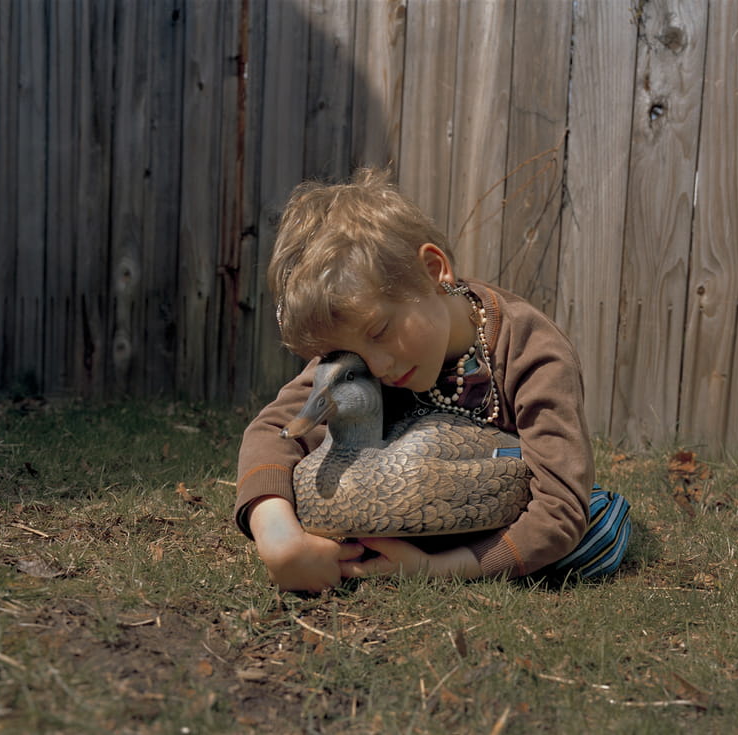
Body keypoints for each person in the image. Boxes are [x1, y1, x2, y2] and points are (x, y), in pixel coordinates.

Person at [234, 168, 631, 593]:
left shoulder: (531, 351)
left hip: (497, 523)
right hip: (401, 503)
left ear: (433, 269)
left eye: (380, 331)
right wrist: (278, 539)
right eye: (352, 355)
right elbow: (274, 428)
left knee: (593, 534)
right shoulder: (358, 351)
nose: (379, 366)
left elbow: (558, 505)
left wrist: (437, 569)